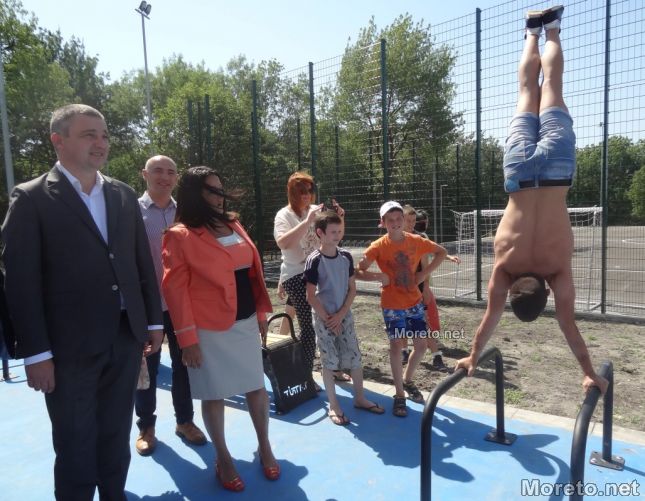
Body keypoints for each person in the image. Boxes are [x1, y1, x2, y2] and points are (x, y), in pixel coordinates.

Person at [2, 104, 164, 500]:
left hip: (124, 338)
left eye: (104, 135)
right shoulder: (31, 198)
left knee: (115, 436)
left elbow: (140, 262)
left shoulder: (122, 194)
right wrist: (36, 353)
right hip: (67, 349)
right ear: (58, 141)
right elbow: (20, 282)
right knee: (75, 444)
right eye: (89, 134)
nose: (101, 142)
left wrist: (153, 322)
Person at [455, 6, 609, 396]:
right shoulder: (505, 269)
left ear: (548, 293)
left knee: (552, 83)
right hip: (520, 174)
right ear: (512, 292)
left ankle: (552, 29)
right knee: (528, 90)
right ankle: (531, 31)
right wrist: (472, 355)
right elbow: (489, 318)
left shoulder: (558, 271)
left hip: (556, 170)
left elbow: (568, 326)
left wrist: (589, 372)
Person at [162, 167, 279, 492]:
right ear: (194, 194)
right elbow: (175, 291)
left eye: (220, 189)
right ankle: (223, 458)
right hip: (208, 329)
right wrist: (187, 340)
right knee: (214, 393)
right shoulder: (179, 235)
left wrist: (260, 312)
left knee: (256, 386)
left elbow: (251, 273)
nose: (219, 196)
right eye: (211, 190)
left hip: (245, 321)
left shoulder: (232, 223)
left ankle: (265, 446)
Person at [134, 155, 206, 456]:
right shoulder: (132, 211)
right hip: (147, 305)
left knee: (184, 364)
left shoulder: (186, 213)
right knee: (147, 368)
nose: (164, 177)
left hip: (181, 305)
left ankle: (185, 421)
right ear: (145, 174)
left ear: (177, 178)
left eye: (170, 172)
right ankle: (146, 427)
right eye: (158, 171)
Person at [357, 201, 448, 417]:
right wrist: (379, 276)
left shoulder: (416, 241)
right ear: (383, 223)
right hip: (392, 306)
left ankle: (407, 380)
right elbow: (358, 270)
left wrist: (423, 275)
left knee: (421, 346)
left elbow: (442, 252)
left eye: (399, 218)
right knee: (397, 347)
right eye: (390, 220)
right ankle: (399, 394)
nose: (396, 223)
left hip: (414, 303)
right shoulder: (378, 246)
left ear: (403, 220)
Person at [304, 211, 385, 425]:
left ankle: (360, 398)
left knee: (355, 356)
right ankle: (334, 405)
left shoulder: (346, 257)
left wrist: (340, 315)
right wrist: (329, 319)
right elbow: (311, 296)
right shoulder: (314, 260)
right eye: (333, 232)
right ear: (320, 233)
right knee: (329, 361)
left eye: (340, 231)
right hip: (323, 318)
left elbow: (352, 289)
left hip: (344, 316)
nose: (338, 235)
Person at [273, 171, 349, 386]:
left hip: (321, 272)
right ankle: (306, 376)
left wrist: (340, 218)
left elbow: (335, 236)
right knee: (309, 327)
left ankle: (334, 367)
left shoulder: (316, 211)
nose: (306, 195)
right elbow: (283, 243)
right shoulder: (283, 215)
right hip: (297, 275)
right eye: (301, 191)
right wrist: (307, 221)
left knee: (333, 318)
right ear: (291, 192)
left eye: (309, 190)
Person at [400, 205, 461, 386]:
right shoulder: (394, 239)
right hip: (400, 289)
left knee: (423, 322)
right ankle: (404, 351)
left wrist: (425, 287)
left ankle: (436, 355)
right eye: (408, 221)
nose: (411, 224)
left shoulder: (419, 239)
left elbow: (426, 265)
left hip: (417, 288)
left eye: (413, 221)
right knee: (402, 321)